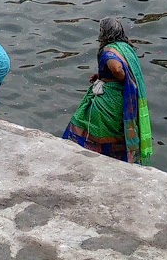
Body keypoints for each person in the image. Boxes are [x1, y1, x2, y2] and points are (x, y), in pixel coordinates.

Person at [63, 19, 152, 164]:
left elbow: (117, 68)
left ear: (105, 33)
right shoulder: (126, 48)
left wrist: (115, 78)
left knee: (83, 122)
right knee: (117, 131)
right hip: (122, 97)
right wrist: (102, 75)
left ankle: (92, 157)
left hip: (108, 99)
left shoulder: (109, 50)